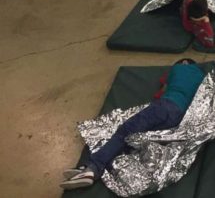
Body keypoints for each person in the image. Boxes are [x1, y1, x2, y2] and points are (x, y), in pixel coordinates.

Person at [59, 59, 205, 190]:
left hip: (164, 106)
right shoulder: (201, 77)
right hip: (178, 119)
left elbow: (161, 91)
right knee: (135, 140)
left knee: (124, 132)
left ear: (184, 63)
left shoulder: (178, 69)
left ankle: (92, 168)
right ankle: (100, 167)